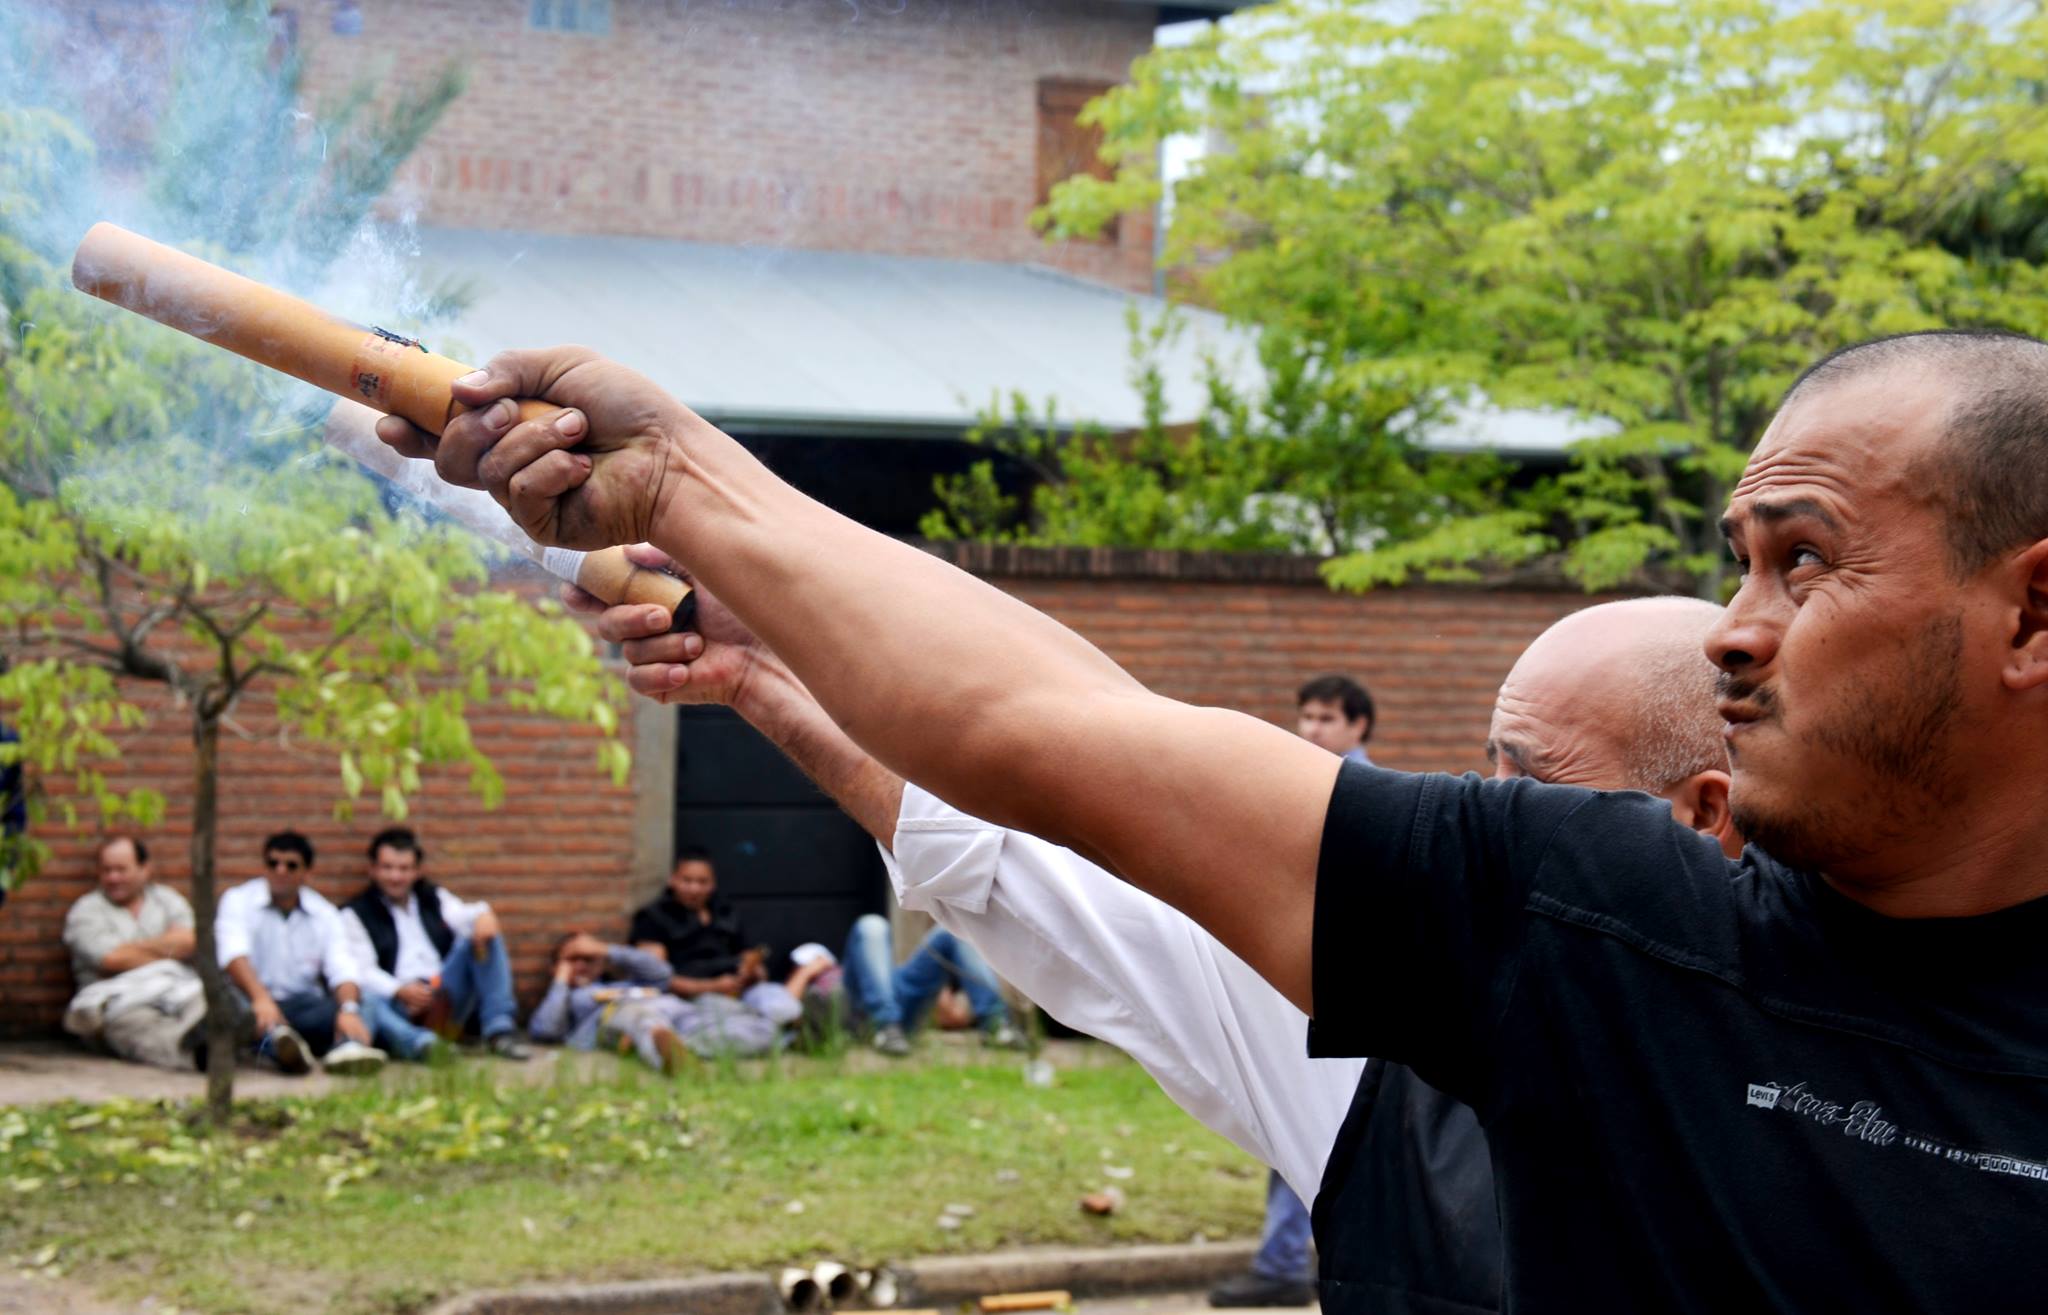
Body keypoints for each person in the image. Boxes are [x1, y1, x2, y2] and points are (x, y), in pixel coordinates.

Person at [385, 329, 2048, 1310]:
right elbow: (1054, 735)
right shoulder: (1579, 915)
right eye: (1738, 565)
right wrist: (688, 487)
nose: (1737, 632)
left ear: (2028, 615)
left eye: (1805, 562)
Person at [575, 571, 1734, 1314]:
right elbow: (1022, 855)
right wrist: (773, 674)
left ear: (1701, 816)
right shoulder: (1372, 1045)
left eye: (1527, 784)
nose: (1480, 817)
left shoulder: (1825, 1083)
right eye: (1485, 772)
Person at [1216, 672, 1378, 1307]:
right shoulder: (1312, 787)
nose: (1310, 729)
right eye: (1306, 716)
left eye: (1326, 718)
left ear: (1359, 726)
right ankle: (1293, 1259)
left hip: (1334, 988)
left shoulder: (1358, 796)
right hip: (1312, 984)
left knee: (1312, 1128)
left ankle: (1284, 1262)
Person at [338, 826, 530, 1062]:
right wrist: (399, 990)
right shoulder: (355, 913)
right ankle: (423, 1045)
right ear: (373, 869)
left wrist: (484, 915)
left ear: (417, 871)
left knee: (483, 937)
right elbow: (362, 969)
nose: (395, 877)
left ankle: (500, 1031)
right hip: (398, 1002)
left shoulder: (433, 897)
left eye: (404, 869)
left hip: (443, 991)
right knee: (367, 998)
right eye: (387, 868)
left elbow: (466, 916)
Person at [216, 831, 389, 1076]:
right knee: (233, 1006)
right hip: (253, 1001)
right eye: (273, 863)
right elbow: (233, 955)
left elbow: (342, 966)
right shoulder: (238, 900)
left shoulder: (324, 913)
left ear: (307, 872)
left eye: (291, 865)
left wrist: (348, 1010)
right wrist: (261, 999)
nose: (281, 871)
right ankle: (284, 1049)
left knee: (365, 1000)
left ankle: (348, 1049)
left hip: (303, 1006)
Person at [528, 929, 780, 1068]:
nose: (582, 965)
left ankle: (683, 1051)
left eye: (588, 958)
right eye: (573, 959)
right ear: (556, 966)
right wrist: (561, 980)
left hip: (675, 1010)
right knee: (644, 1021)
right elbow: (546, 1029)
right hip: (622, 1015)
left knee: (760, 1030)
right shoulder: (575, 998)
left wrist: (605, 949)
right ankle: (671, 1060)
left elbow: (662, 973)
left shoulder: (628, 981)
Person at [59, 836, 204, 1070]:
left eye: (121, 870)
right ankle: (196, 1054)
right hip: (119, 1001)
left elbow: (191, 942)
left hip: (177, 989)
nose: (113, 878)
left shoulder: (167, 900)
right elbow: (111, 959)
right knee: (139, 1028)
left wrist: (131, 949)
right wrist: (168, 948)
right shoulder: (86, 911)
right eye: (106, 870)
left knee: (204, 1005)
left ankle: (203, 1044)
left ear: (144, 869)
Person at [628, 849, 800, 1026]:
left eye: (702, 882)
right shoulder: (653, 918)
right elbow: (655, 977)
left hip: (739, 991)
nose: (694, 888)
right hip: (688, 998)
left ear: (712, 884)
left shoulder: (725, 913)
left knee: (781, 1004)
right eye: (687, 880)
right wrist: (712, 986)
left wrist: (752, 971)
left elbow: (750, 958)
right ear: (673, 880)